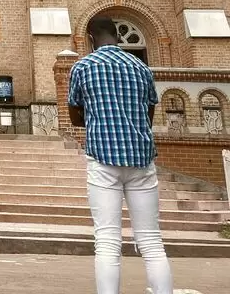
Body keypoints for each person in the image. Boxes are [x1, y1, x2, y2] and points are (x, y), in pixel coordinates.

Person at [67, 16, 173, 294]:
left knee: (106, 240)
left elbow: (75, 115)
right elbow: (149, 114)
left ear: (90, 38)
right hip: (141, 160)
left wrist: (97, 116)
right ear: (118, 36)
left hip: (103, 160)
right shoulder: (141, 67)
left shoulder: (83, 67)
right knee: (151, 240)